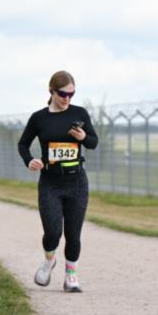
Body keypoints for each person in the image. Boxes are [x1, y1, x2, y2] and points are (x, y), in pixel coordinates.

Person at [17, 70, 98, 293]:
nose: (67, 99)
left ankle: (71, 276)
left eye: (72, 94)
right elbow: (23, 144)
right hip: (50, 183)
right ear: (52, 91)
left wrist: (83, 137)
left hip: (76, 182)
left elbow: (93, 142)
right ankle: (49, 261)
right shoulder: (39, 118)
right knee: (53, 232)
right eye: (63, 94)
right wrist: (30, 160)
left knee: (73, 234)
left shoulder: (79, 113)